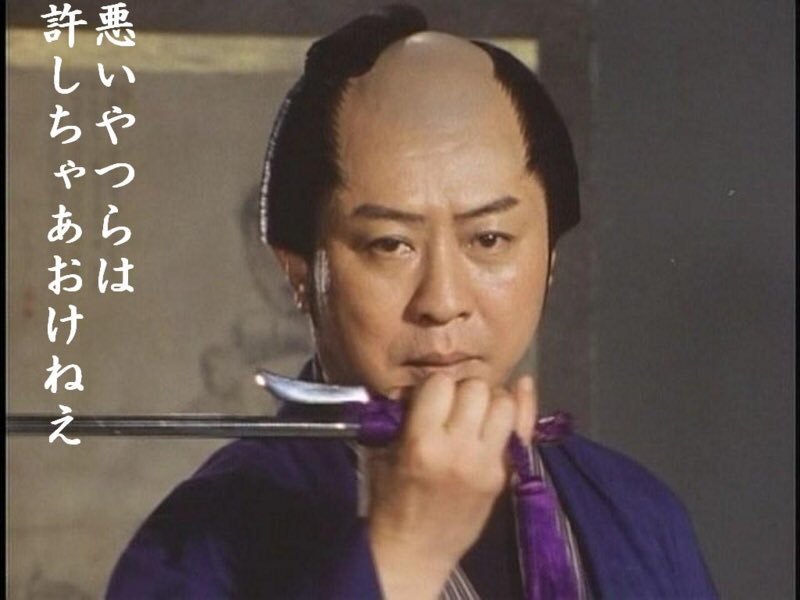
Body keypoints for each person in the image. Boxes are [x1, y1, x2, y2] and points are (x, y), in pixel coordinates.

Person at [107, 5, 717, 599]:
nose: (443, 302)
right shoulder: (202, 540)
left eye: (489, 239)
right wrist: (405, 555)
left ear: (551, 256)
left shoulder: (638, 513)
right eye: (390, 244)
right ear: (297, 271)